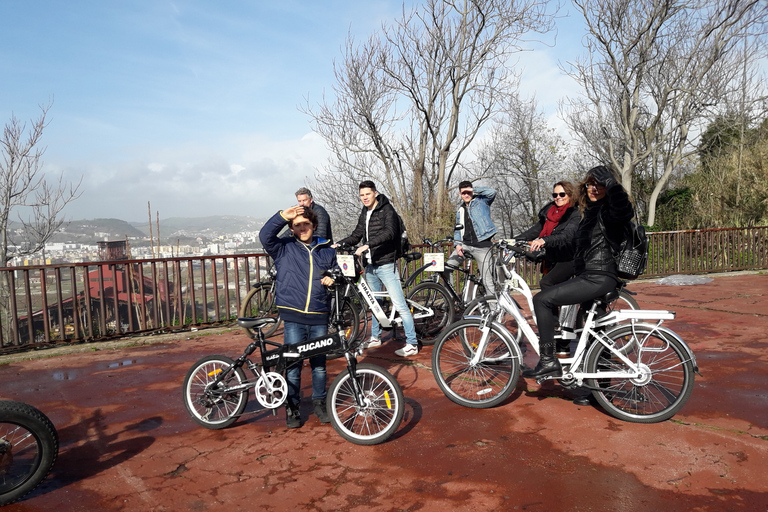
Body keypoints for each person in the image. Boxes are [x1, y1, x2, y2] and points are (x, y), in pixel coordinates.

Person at [524, 166, 634, 389]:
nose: (594, 188)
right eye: (590, 184)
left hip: (598, 276)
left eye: (600, 184)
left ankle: (548, 360)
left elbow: (624, 211)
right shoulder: (592, 212)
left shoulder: (609, 211)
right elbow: (579, 249)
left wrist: (613, 186)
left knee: (541, 299)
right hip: (592, 274)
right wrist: (541, 253)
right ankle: (599, 389)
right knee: (594, 333)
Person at [259, 205, 337, 428]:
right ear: (291, 228)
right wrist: (284, 216)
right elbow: (265, 236)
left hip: (319, 313)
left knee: (319, 365)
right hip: (293, 315)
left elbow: (336, 273)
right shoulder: (283, 248)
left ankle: (319, 403)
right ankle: (291, 406)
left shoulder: (327, 249)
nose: (303, 228)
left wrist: (332, 279)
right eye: (297, 225)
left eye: (306, 224)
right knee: (293, 365)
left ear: (313, 225)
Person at [335, 181, 419, 357]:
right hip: (370, 265)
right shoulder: (365, 211)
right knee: (375, 303)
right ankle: (375, 337)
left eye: (367, 194)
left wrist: (367, 245)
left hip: (387, 263)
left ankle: (412, 343)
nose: (364, 198)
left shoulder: (387, 210)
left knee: (400, 305)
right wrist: (339, 243)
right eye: (362, 195)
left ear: (375, 193)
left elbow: (390, 232)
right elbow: (357, 233)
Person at [517, 181, 579, 290]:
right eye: (555, 195)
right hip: (551, 256)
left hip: (569, 257)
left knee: (546, 283)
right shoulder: (549, 212)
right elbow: (534, 231)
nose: (558, 197)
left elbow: (566, 235)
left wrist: (543, 240)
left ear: (570, 194)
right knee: (549, 286)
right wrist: (512, 240)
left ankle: (551, 306)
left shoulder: (575, 213)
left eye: (562, 194)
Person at [445, 181, 498, 295]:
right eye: (463, 193)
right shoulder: (460, 210)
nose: (466, 195)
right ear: (460, 194)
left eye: (468, 192)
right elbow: (458, 229)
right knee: (446, 268)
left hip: (482, 246)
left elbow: (492, 192)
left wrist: (473, 190)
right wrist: (458, 245)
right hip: (465, 245)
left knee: (487, 280)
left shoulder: (482, 202)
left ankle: (494, 310)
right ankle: (449, 300)